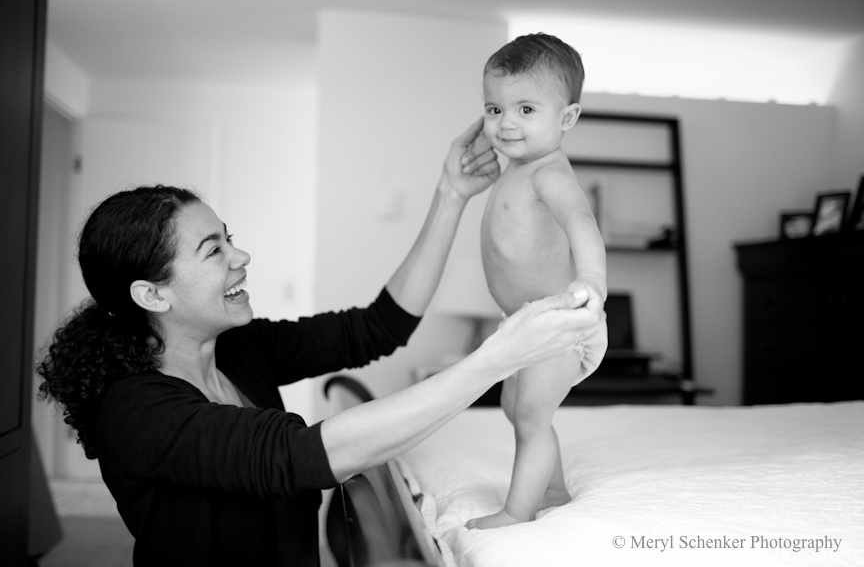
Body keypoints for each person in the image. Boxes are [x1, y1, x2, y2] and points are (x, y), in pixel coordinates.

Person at [36, 119, 605, 567]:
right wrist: (498, 357)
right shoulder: (136, 411)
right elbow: (297, 456)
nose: (241, 256)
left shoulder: (238, 348)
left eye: (228, 238)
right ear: (152, 295)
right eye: (213, 251)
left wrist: (451, 194)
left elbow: (377, 327)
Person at [466, 33, 608, 530]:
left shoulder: (549, 173)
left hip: (560, 319)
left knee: (529, 414)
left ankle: (518, 511)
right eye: (494, 108)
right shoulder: (515, 169)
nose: (506, 122)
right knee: (518, 408)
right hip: (526, 320)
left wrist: (591, 279)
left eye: (526, 109)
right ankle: (553, 488)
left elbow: (580, 222)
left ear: (565, 119)